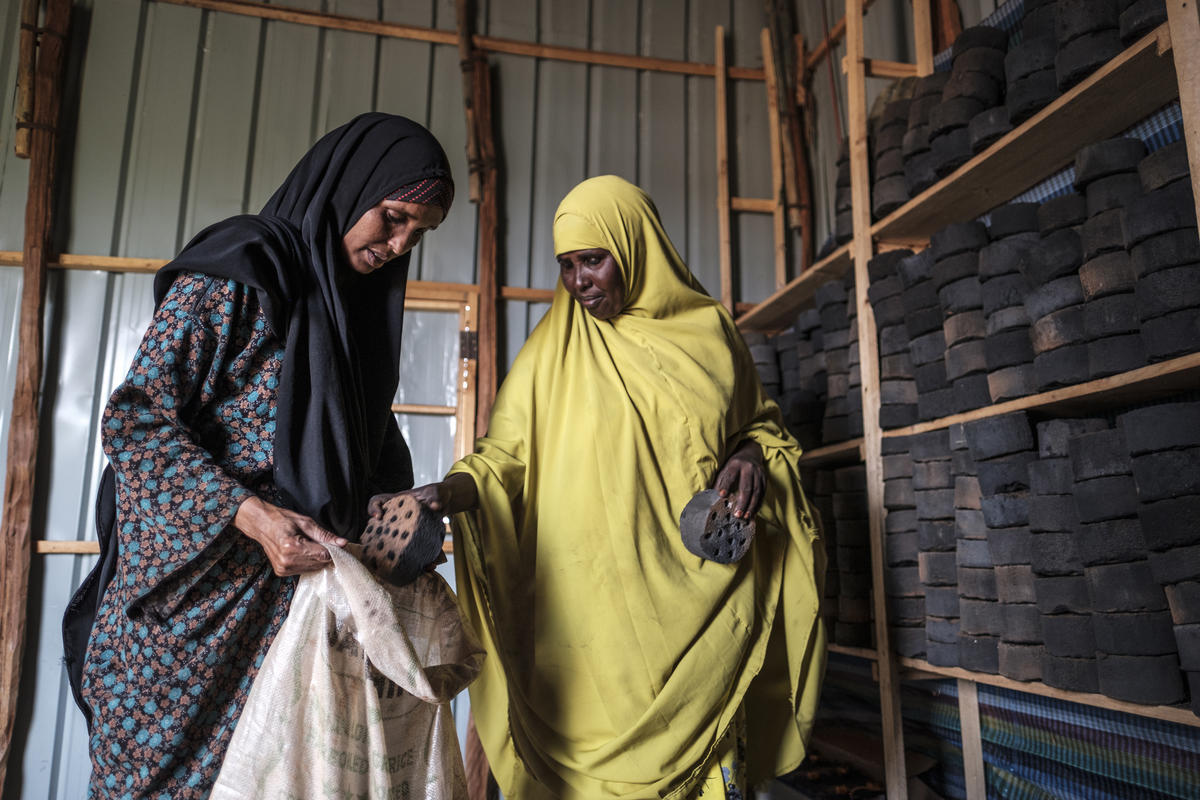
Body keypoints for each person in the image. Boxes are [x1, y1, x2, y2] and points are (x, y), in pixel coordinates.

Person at [390, 175, 826, 798]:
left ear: (635, 247)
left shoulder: (710, 333)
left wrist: (753, 454)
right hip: (587, 617)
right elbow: (504, 456)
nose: (578, 281)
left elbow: (759, 426)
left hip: (701, 604)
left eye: (593, 260)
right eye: (566, 265)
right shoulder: (551, 353)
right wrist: (451, 490)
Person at [61, 113, 455, 799]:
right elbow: (136, 422)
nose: (398, 245)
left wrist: (394, 516)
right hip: (189, 613)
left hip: (284, 627)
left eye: (417, 234)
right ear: (349, 189)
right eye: (393, 218)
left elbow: (353, 462)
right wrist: (252, 516)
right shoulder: (244, 273)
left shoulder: (352, 320)